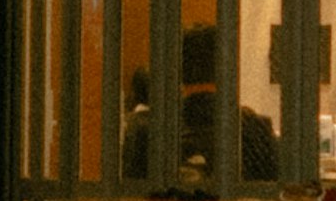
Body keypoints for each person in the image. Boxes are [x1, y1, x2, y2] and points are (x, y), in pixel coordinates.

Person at [121, 20, 286, 186]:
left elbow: (132, 197)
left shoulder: (147, 131)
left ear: (177, 69)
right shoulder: (254, 128)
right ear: (225, 67)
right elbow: (272, 196)